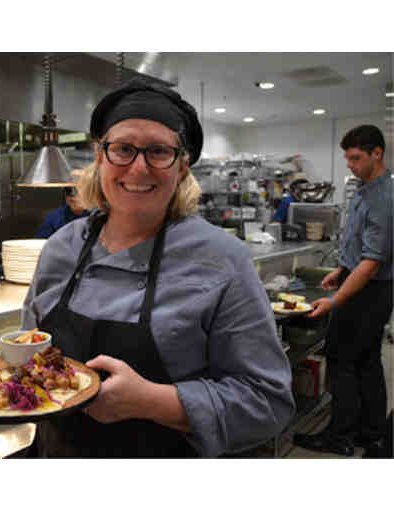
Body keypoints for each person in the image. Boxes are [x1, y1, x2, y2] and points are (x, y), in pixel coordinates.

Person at [21, 76, 295, 458]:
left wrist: (151, 401)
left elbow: (268, 402)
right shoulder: (60, 248)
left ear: (181, 167)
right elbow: (30, 352)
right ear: (100, 157)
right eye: (123, 149)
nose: (138, 168)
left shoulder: (222, 259)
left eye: (158, 151)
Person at [295, 125, 393, 456]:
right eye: (347, 158)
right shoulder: (366, 189)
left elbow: (372, 262)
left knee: (340, 359)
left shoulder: (382, 198)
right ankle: (371, 431)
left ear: (377, 154)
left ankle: (339, 435)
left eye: (356, 158)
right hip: (364, 282)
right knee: (366, 359)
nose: (350, 165)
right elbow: (361, 248)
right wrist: (341, 269)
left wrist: (335, 300)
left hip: (370, 290)